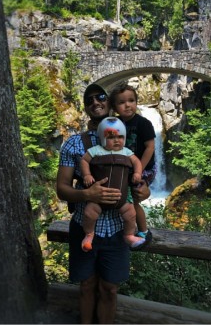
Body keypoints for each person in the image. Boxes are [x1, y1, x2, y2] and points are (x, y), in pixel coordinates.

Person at [56, 83, 150, 324]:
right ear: (85, 108)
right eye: (89, 100)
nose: (96, 102)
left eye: (101, 98)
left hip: (118, 229)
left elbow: (141, 177)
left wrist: (143, 189)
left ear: (110, 104)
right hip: (85, 226)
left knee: (110, 288)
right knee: (86, 285)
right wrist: (89, 195)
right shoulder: (73, 144)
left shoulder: (129, 138)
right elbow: (62, 189)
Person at [80, 116, 146, 252]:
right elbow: (84, 161)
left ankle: (129, 235)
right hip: (98, 198)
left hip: (121, 198)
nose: (117, 140)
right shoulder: (96, 150)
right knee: (89, 213)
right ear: (103, 139)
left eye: (120, 137)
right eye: (111, 138)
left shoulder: (126, 152)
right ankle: (89, 235)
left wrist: (137, 173)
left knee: (130, 214)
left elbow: (137, 162)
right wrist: (87, 174)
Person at [109, 82, 156, 243]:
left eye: (131, 101)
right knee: (124, 199)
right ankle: (127, 228)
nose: (127, 105)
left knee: (133, 200)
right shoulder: (114, 123)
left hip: (144, 168)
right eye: (122, 102)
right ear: (114, 107)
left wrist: (139, 169)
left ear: (136, 102)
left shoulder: (144, 123)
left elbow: (150, 147)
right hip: (125, 169)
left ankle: (143, 231)